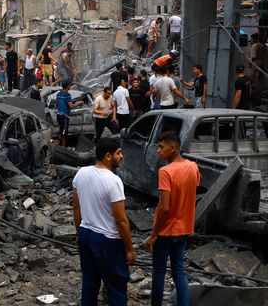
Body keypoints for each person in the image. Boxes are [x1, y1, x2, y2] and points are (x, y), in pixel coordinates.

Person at [73, 137, 135, 306]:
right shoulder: (113, 181)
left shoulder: (81, 173)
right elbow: (121, 220)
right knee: (116, 286)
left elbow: (77, 209)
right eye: (118, 153)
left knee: (90, 282)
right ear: (108, 156)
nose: (121, 156)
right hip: (106, 240)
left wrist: (80, 233)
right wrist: (129, 249)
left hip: (86, 233)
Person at [144, 131, 201, 306]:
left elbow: (164, 206)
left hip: (166, 230)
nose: (158, 151)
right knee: (179, 272)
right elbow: (195, 186)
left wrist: (154, 234)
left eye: (161, 147)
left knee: (159, 271)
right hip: (184, 228)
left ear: (173, 147)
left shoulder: (166, 172)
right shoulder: (193, 167)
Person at [57, 81, 85, 147]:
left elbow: (57, 104)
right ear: (67, 86)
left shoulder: (58, 94)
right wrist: (79, 103)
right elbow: (71, 106)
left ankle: (59, 147)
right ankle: (63, 149)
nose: (70, 86)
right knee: (64, 134)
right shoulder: (67, 95)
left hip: (59, 115)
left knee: (62, 132)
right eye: (69, 85)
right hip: (64, 117)